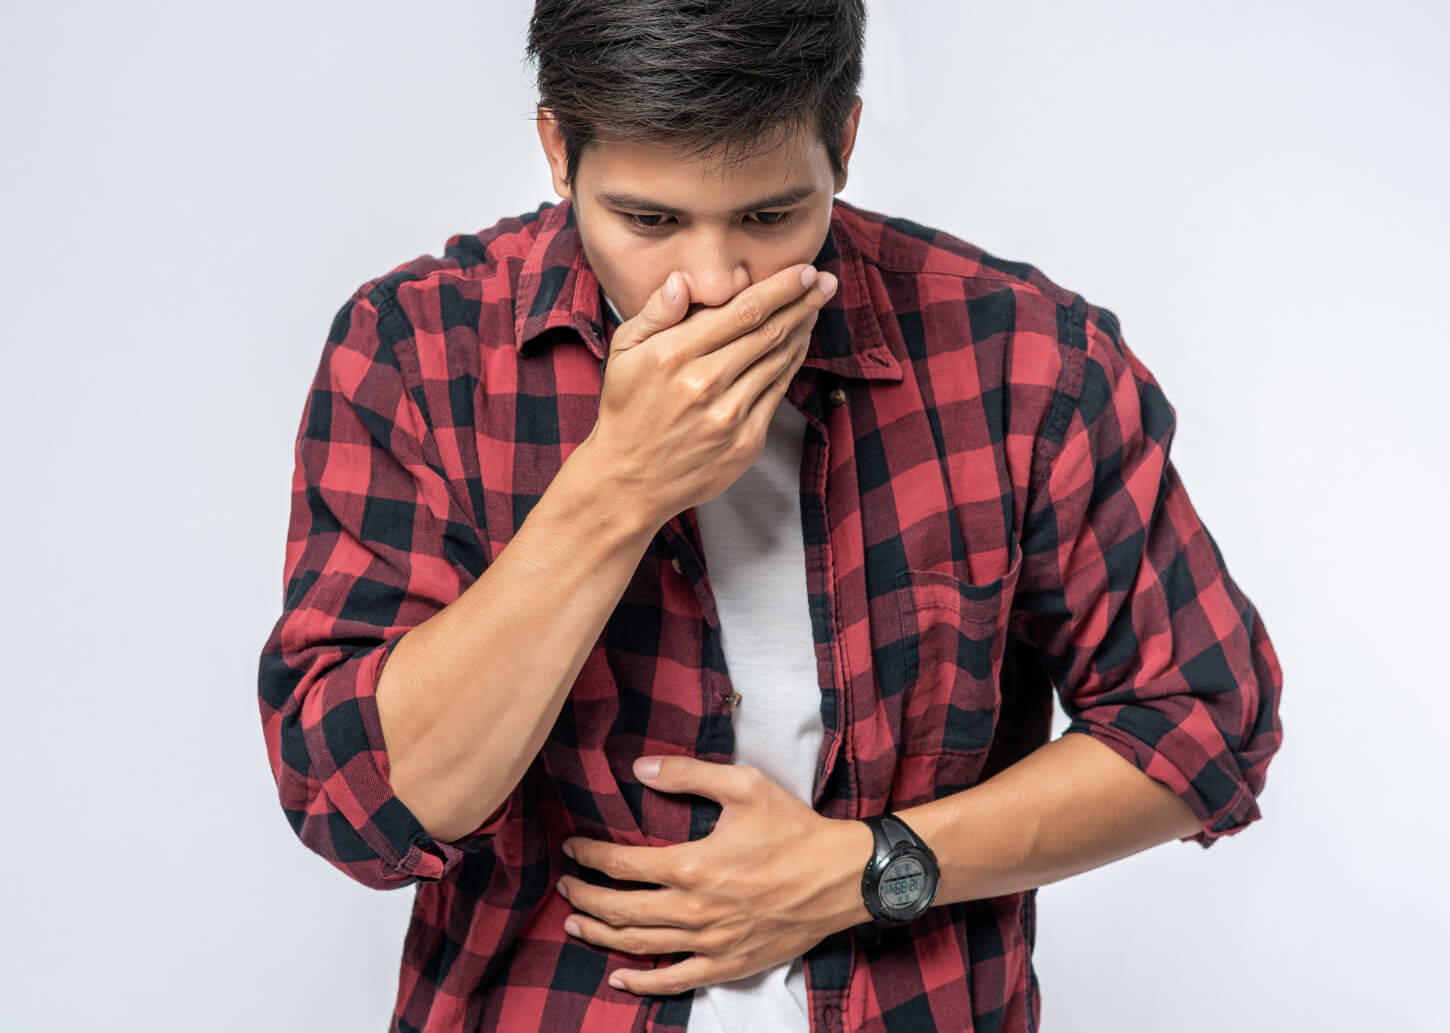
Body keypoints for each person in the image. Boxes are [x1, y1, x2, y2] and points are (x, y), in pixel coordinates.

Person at [256, 2, 1285, 1031]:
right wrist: (617, 488)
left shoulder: (1025, 356)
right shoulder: (417, 354)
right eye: (648, 221)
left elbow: (1201, 722)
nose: (714, 284)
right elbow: (358, 806)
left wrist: (868, 869)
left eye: (769, 216)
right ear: (558, 150)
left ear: (844, 141)